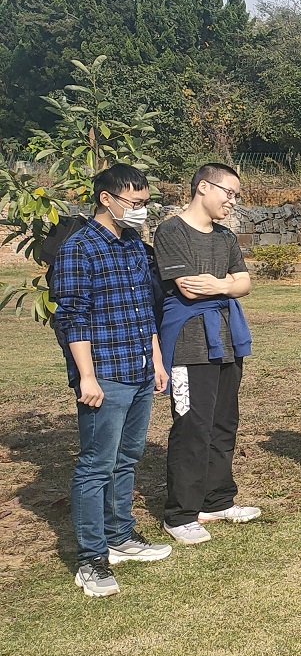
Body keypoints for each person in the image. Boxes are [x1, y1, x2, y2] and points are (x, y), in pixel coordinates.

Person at [52, 163, 172, 596]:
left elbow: (146, 308)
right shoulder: (79, 248)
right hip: (104, 375)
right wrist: (86, 377)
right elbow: (72, 317)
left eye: (145, 202)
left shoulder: (134, 244)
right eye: (135, 202)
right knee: (96, 465)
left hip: (139, 370)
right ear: (107, 198)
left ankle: (120, 535)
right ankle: (91, 558)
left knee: (128, 457)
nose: (141, 210)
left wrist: (156, 360)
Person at [154, 162, 259, 545]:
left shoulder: (225, 237)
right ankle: (180, 514)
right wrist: (226, 283)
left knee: (224, 422)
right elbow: (188, 287)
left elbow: (245, 283)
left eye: (236, 196)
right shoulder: (171, 231)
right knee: (192, 427)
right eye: (229, 193)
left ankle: (217, 501)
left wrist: (222, 284)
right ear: (203, 187)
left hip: (228, 341)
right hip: (189, 344)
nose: (232, 201)